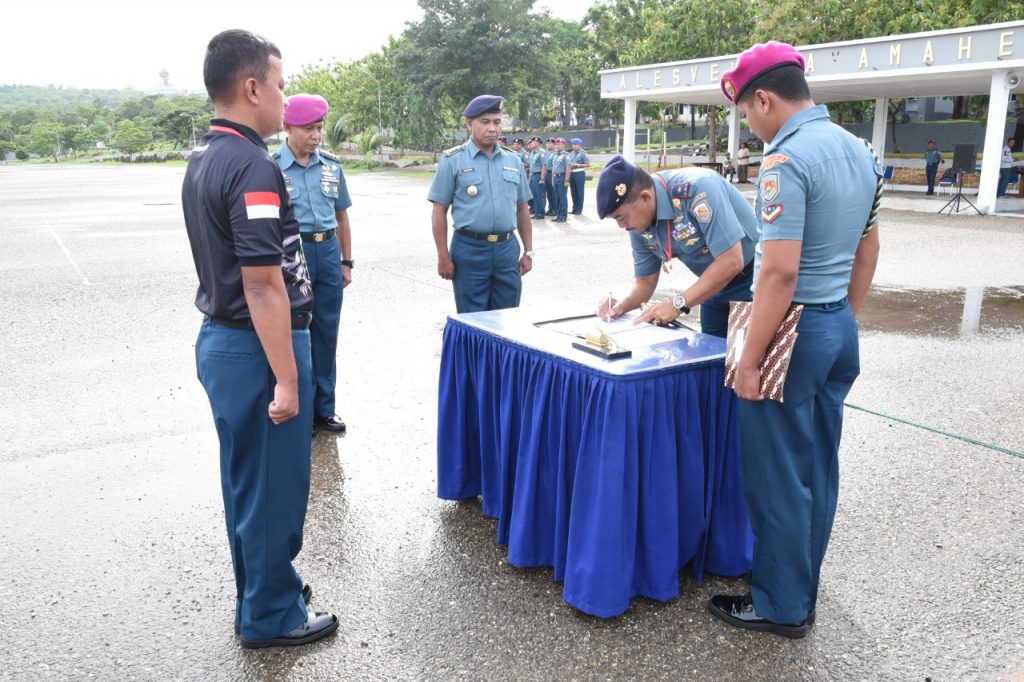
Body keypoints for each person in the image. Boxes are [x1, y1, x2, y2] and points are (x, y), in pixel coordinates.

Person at [711, 40, 881, 639]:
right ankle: (801, 582)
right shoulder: (861, 153)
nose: (751, 128)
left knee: (778, 475)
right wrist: (842, 318)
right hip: (836, 325)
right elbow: (868, 249)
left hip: (793, 330)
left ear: (763, 98)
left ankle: (782, 606)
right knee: (817, 467)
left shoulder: (786, 162)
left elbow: (778, 273)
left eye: (748, 114)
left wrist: (751, 359)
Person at [181, 29, 338, 649]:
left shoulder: (205, 155)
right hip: (258, 345)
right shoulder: (252, 165)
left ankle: (260, 589)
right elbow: (264, 284)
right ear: (251, 88)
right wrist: (291, 377)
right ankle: (271, 616)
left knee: (247, 482)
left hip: (225, 340)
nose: (282, 96)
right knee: (274, 488)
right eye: (277, 84)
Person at [595, 155, 755, 337]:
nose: (621, 226)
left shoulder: (698, 189)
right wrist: (619, 306)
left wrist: (677, 304)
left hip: (753, 283)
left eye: (621, 218)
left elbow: (731, 261)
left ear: (645, 197)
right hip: (711, 288)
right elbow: (644, 281)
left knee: (750, 362)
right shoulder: (639, 225)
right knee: (713, 358)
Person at [273, 94, 353, 437]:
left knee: (326, 333)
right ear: (288, 127)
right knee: (295, 335)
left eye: (319, 128)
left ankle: (325, 409)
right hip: (293, 255)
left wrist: (346, 262)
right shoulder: (271, 167)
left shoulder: (332, 167)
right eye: (308, 128)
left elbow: (342, 217)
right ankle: (301, 409)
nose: (316, 135)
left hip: (328, 252)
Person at [428, 95, 535, 313]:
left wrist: (528, 251)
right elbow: (439, 211)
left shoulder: (513, 160)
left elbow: (522, 209)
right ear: (469, 123)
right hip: (470, 250)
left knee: (508, 318)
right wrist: (443, 256)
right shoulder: (453, 160)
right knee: (473, 320)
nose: (493, 129)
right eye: (485, 122)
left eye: (497, 122)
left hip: (507, 250)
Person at [567, 137, 590, 214]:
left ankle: (579, 210)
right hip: (572, 173)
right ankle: (574, 209)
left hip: (579, 173)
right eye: (573, 144)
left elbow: (588, 165)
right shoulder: (571, 153)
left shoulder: (583, 153)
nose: (573, 146)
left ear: (579, 145)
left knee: (580, 192)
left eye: (575, 144)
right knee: (573, 192)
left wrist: (578, 165)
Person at [549, 137, 569, 222]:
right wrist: (553, 179)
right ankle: (559, 215)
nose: (557, 146)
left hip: (562, 177)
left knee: (562, 198)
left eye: (559, 144)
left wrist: (566, 180)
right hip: (555, 177)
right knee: (557, 198)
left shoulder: (566, 155)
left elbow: (568, 168)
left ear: (563, 145)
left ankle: (563, 216)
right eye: (556, 144)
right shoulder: (555, 155)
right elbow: (553, 168)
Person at [527, 136, 546, 218]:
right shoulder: (532, 153)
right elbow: (531, 166)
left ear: (538, 143)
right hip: (532, 175)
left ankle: (541, 213)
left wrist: (542, 178)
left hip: (538, 175)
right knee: (534, 195)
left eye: (534, 142)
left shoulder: (541, 152)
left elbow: (544, 166)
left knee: (539, 195)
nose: (532, 143)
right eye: (531, 142)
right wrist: (529, 178)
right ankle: (536, 212)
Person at [542, 137, 557, 216]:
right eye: (547, 143)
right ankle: (550, 208)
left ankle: (555, 209)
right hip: (546, 173)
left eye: (550, 143)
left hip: (552, 173)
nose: (548, 145)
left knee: (553, 193)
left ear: (554, 145)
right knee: (548, 193)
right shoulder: (545, 153)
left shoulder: (555, 153)